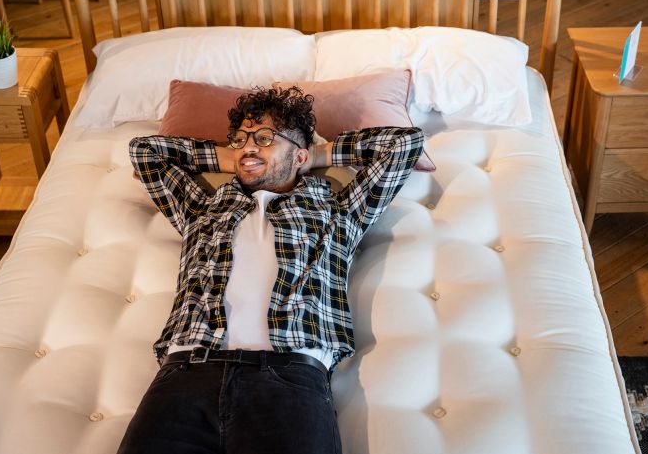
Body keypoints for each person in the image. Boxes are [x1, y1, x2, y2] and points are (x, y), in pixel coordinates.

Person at [119, 86, 424, 454]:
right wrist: (235, 156)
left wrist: (317, 155)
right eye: (240, 139)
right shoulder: (201, 207)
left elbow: (404, 144)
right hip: (186, 373)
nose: (248, 147)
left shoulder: (337, 213)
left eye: (265, 138)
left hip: (289, 377)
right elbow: (144, 151)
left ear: (299, 154)